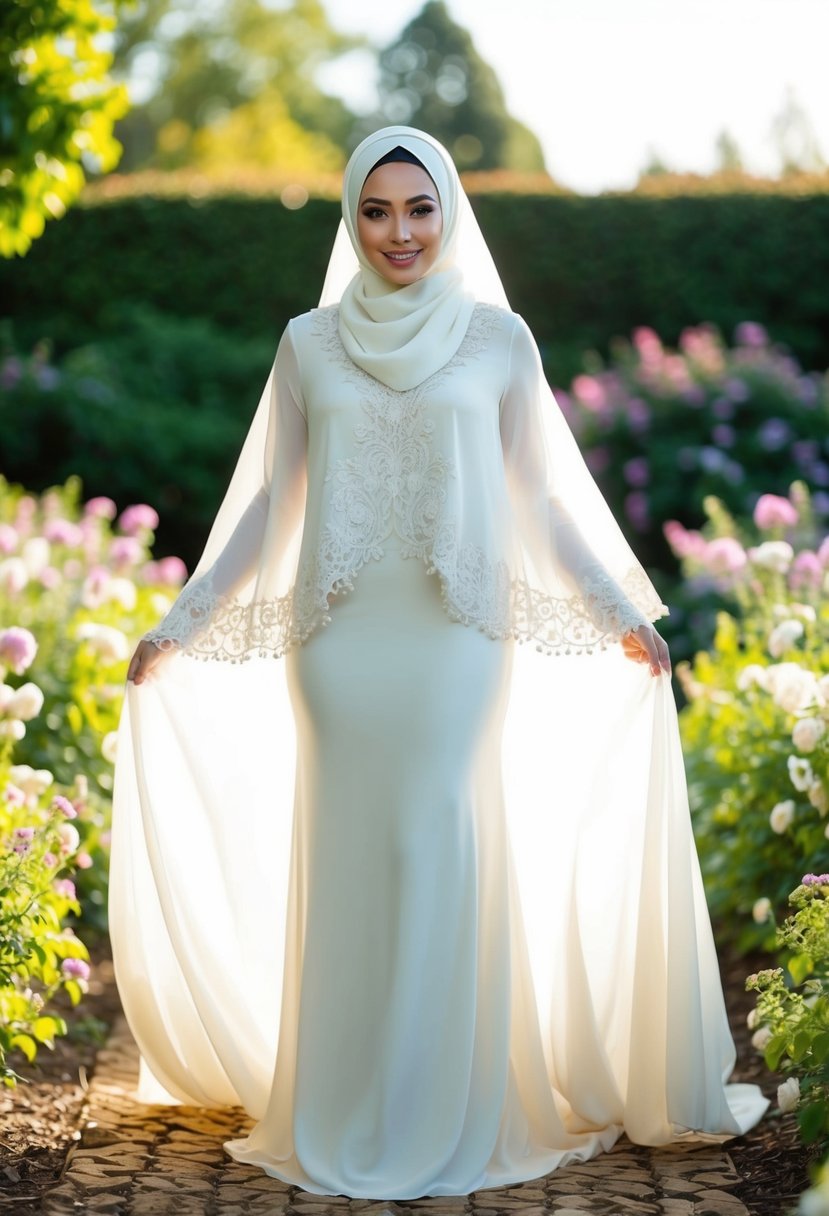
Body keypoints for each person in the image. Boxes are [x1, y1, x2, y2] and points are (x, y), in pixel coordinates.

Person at [111, 125, 767, 1201]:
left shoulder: (500, 340)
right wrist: (180, 620)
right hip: (338, 651)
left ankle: (445, 1106)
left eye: (418, 208)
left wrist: (621, 611)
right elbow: (273, 502)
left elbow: (536, 500)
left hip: (458, 646)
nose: (398, 231)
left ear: (450, 211)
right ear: (349, 219)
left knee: (440, 845)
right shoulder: (306, 343)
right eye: (375, 211)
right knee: (357, 857)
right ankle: (350, 1101)